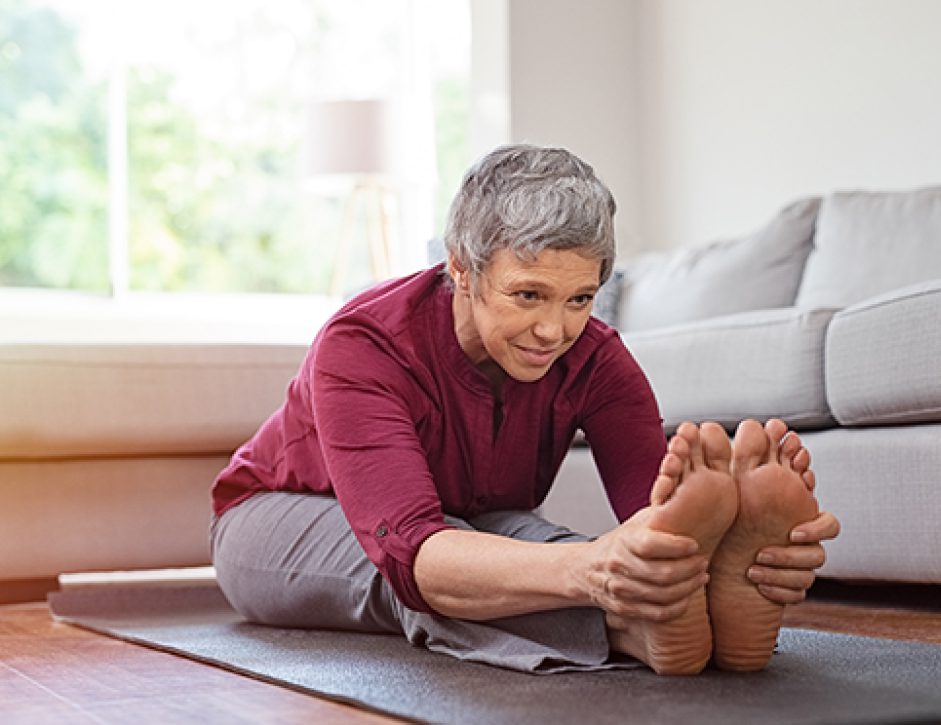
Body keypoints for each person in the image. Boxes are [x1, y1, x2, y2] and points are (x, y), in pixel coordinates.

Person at [209, 144, 841, 675]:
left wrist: (733, 555)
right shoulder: (363, 345)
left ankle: (660, 613)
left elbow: (657, 520)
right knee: (442, 576)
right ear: (461, 269)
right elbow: (413, 551)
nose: (553, 329)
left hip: (469, 520)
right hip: (283, 516)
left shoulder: (598, 357)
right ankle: (625, 628)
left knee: (542, 546)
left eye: (580, 298)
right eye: (529, 294)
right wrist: (595, 570)